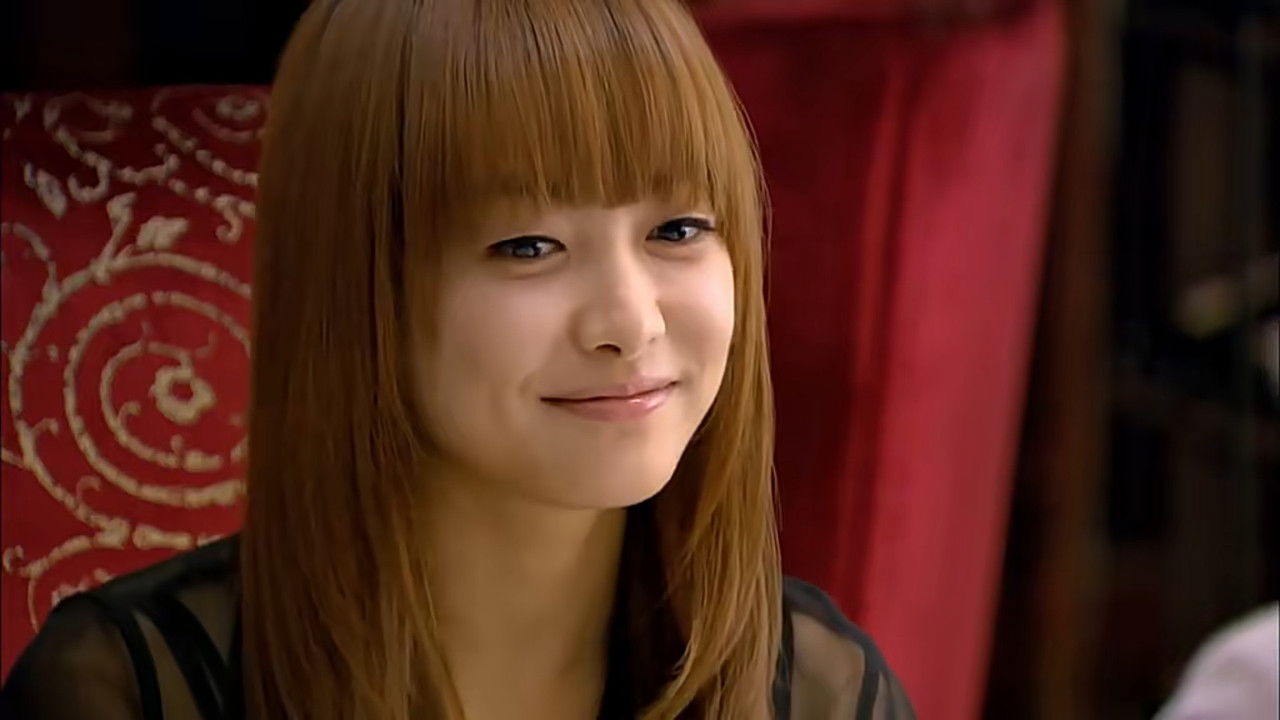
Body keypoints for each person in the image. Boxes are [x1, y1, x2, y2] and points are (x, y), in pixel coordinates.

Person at [0, 0, 916, 718]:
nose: (631, 324)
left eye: (678, 229)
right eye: (528, 246)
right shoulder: (124, 690)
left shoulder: (821, 691)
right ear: (360, 285)